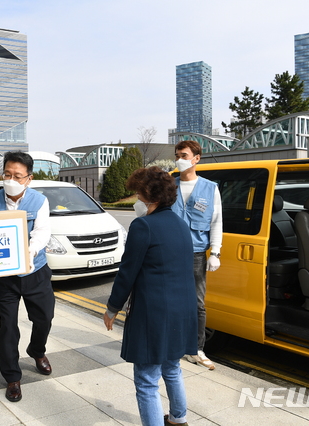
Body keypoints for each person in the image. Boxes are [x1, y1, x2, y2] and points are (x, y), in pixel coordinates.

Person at [104, 167, 197, 426]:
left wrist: (112, 308)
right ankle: (179, 418)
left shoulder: (143, 225)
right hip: (182, 309)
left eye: (138, 193)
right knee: (172, 367)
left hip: (154, 312)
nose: (136, 199)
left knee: (146, 380)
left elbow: (127, 273)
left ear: (151, 196)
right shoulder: (180, 224)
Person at [0, 151, 54, 403]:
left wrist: (29, 250)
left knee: (44, 317)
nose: (11, 179)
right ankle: (12, 378)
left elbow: (42, 232)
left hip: (35, 271)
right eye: (7, 174)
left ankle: (36, 350)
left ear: (28, 178)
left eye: (17, 176)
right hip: (4, 277)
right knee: (8, 326)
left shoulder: (39, 201)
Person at [171, 139, 223, 370]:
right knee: (169, 301)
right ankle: (170, 344)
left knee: (197, 304)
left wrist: (216, 252)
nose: (179, 160)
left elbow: (216, 222)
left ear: (196, 158)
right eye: (177, 155)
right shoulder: (168, 186)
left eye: (183, 155)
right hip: (168, 253)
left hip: (196, 255)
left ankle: (196, 349)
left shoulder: (210, 188)